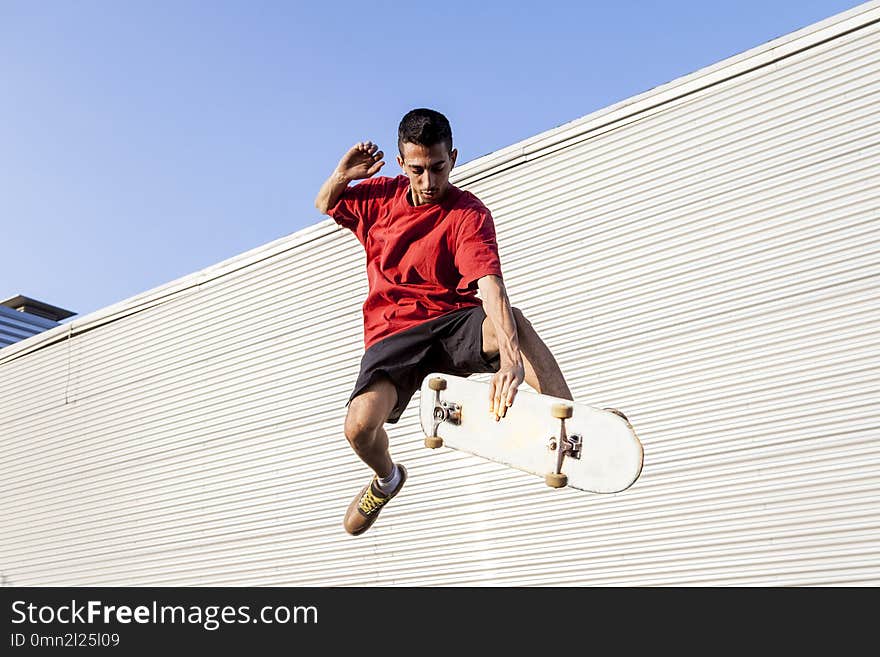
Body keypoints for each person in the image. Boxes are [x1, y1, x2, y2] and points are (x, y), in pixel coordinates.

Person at [315, 108, 573, 536]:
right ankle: (387, 479)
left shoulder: (468, 214)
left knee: (513, 321)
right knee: (358, 428)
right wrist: (342, 175)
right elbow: (325, 203)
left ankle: (570, 419)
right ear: (402, 164)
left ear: (452, 157)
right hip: (392, 335)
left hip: (451, 324)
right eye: (418, 171)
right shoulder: (379, 198)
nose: (430, 182)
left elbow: (491, 286)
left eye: (438, 168)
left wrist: (511, 360)